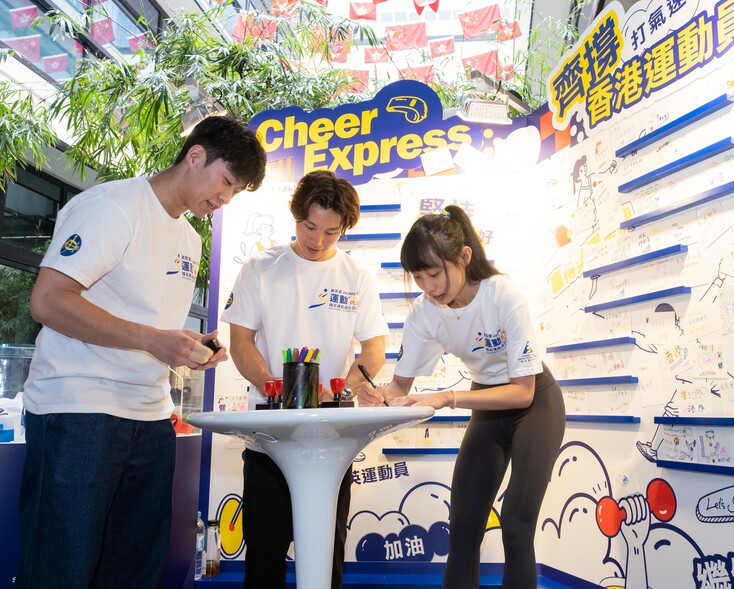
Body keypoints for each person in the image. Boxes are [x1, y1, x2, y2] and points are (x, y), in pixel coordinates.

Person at [17, 114, 267, 588]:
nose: (224, 199)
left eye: (234, 193)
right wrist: (154, 340)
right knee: (60, 567)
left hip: (150, 417)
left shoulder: (190, 238)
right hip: (79, 411)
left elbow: (150, 327)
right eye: (226, 182)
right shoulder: (114, 206)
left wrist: (189, 347)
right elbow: (47, 301)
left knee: (135, 571)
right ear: (196, 156)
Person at [356, 205, 566, 589]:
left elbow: (522, 392)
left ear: (464, 257)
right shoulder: (424, 312)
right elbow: (399, 387)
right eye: (418, 277)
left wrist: (446, 398)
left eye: (435, 273)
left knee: (517, 524)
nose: (429, 286)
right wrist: (377, 395)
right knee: (464, 524)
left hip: (536, 403)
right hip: (488, 405)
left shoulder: (503, 295)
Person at [221, 170, 388, 589]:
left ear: (344, 229)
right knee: (264, 556)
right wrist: (271, 386)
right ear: (295, 216)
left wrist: (345, 386)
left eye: (331, 232)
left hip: (331, 439)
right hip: (269, 436)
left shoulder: (356, 276)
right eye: (309, 227)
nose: (317, 240)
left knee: (326, 554)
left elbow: (373, 349)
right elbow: (241, 341)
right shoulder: (261, 267)